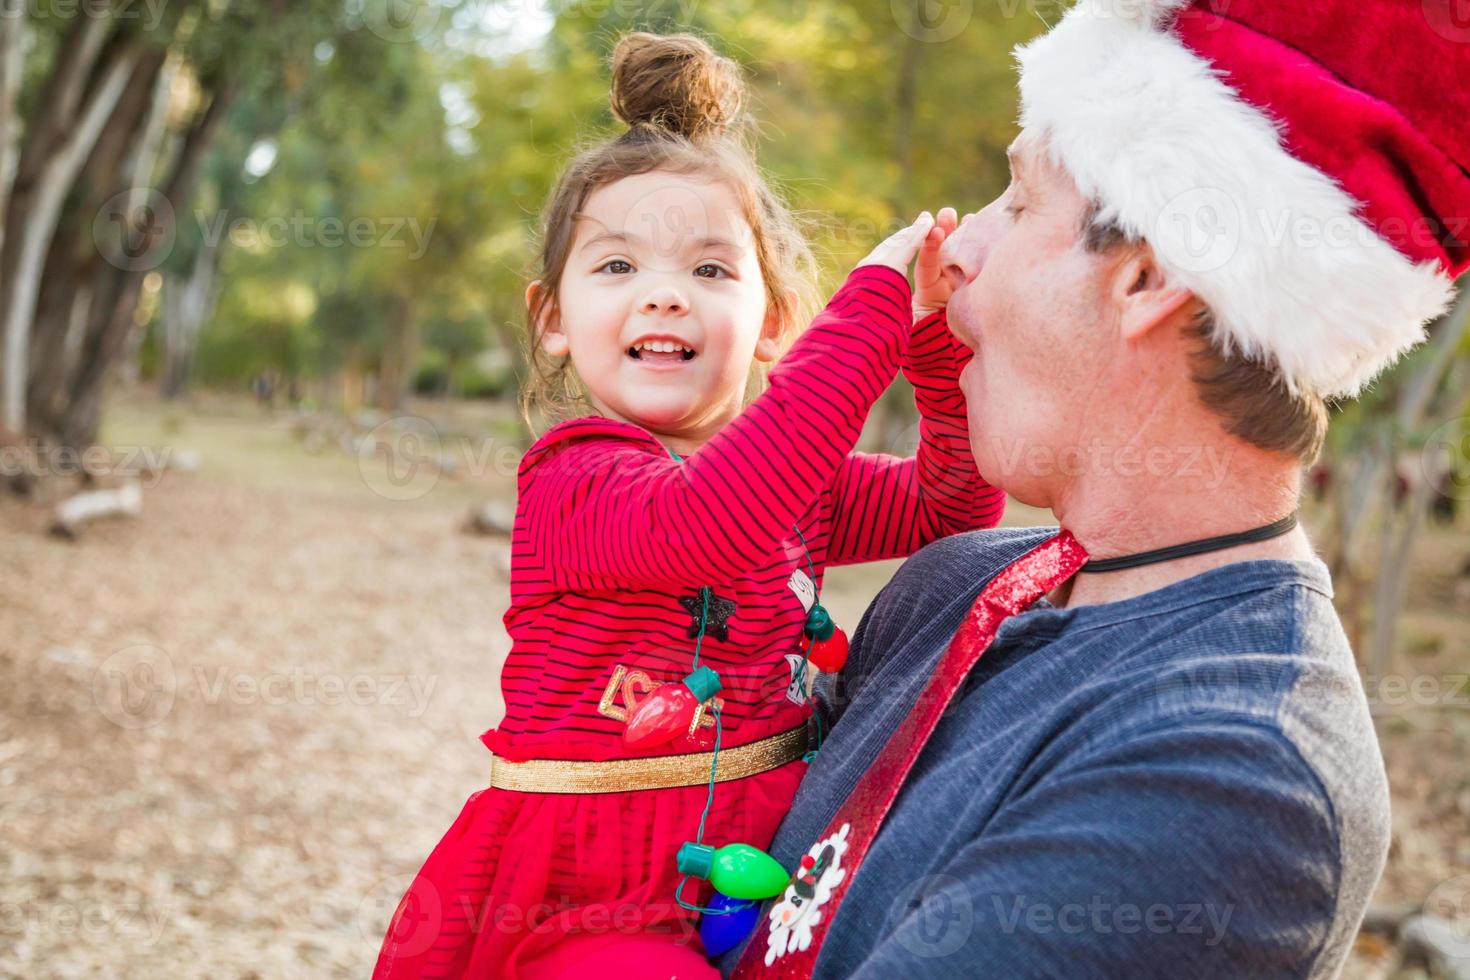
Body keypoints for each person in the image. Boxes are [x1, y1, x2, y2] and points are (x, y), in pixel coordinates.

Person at [719, 0, 1470, 976]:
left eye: (1020, 202)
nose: (954, 253)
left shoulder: (1237, 773)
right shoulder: (946, 586)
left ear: (1148, 278)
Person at [372, 32, 1004, 979]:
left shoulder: (798, 485)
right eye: (618, 267)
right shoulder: (574, 476)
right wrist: (871, 310)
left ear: (776, 324)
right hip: (592, 896)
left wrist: (931, 351)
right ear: (552, 320)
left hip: (769, 864)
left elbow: (949, 507)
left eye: (710, 271)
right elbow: (708, 525)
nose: (664, 297)